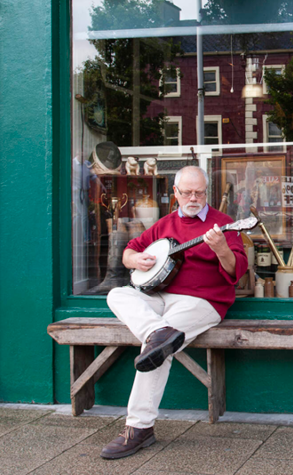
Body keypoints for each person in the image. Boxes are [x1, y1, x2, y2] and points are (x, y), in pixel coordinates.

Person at [101, 166, 247, 460]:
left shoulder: (225, 224)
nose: (194, 198)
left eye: (200, 192)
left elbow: (236, 272)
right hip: (160, 296)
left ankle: (138, 428)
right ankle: (156, 331)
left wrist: (221, 249)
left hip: (203, 301)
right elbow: (129, 251)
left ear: (207, 192)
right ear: (176, 194)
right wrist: (135, 260)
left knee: (156, 348)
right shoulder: (164, 224)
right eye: (187, 192)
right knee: (117, 294)